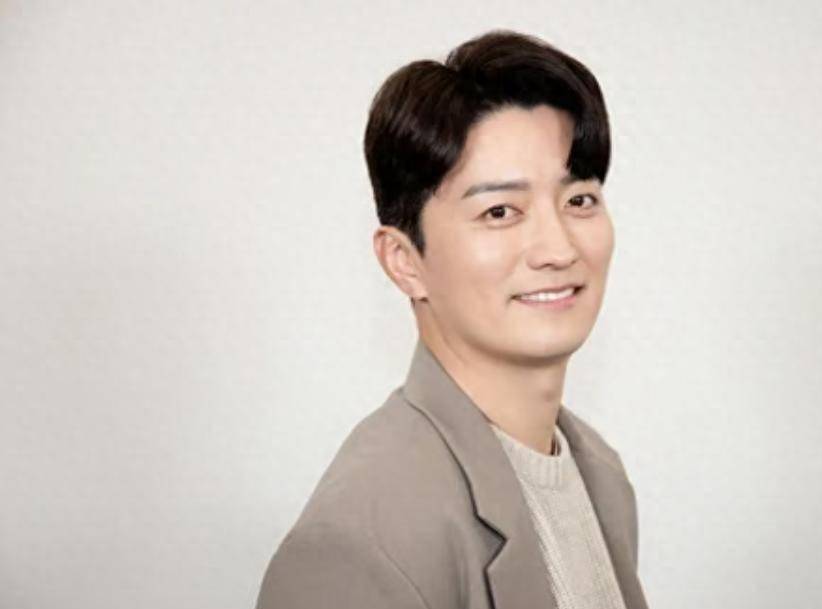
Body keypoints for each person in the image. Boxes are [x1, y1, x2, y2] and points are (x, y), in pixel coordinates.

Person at [254, 28, 649, 609]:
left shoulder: (601, 476)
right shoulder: (359, 545)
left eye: (579, 201)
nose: (558, 248)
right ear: (403, 261)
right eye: (500, 211)